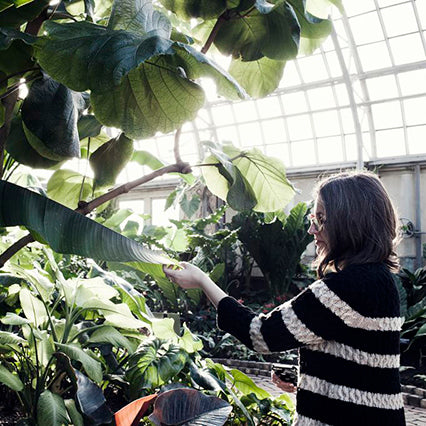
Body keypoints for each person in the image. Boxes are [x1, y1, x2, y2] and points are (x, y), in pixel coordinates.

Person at [163, 171, 406, 426]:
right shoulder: (381, 281)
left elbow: (261, 333)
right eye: (314, 217)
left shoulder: (346, 287)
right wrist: (305, 379)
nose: (312, 228)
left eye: (322, 219)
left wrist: (203, 281)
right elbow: (364, 365)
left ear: (351, 223)